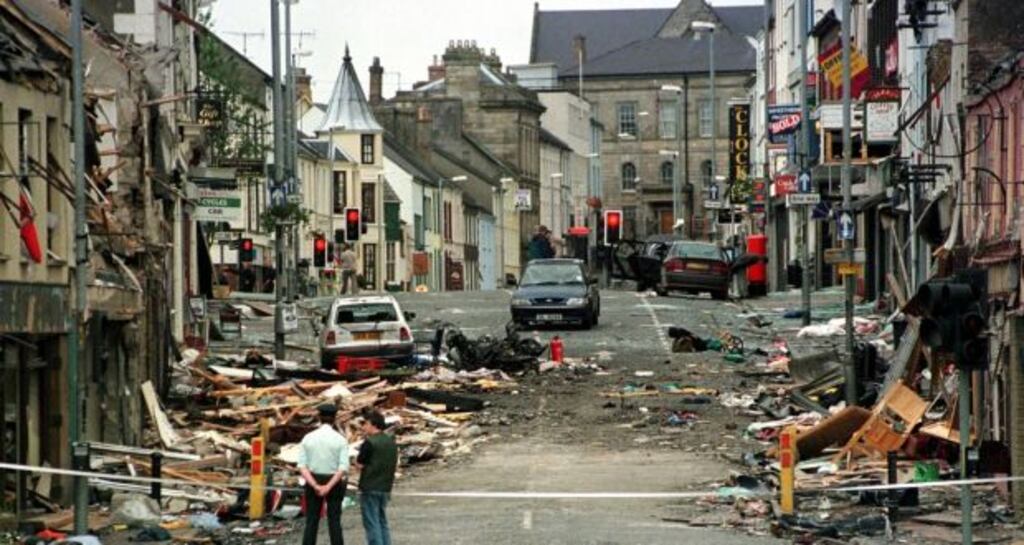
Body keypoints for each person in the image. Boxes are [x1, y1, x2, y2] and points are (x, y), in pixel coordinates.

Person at [298, 403, 350, 545]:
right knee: (334, 521)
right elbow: (343, 467)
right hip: (334, 481)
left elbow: (302, 466)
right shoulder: (340, 439)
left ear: (319, 417)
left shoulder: (308, 438)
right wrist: (328, 486)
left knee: (311, 520)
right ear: (334, 419)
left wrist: (315, 485)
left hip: (313, 479)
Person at [354, 410, 398, 545]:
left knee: (371, 522)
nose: (363, 427)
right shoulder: (390, 441)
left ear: (373, 424)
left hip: (370, 485)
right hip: (385, 486)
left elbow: (360, 464)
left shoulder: (369, 443)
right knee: (381, 520)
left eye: (365, 423)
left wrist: (354, 461)